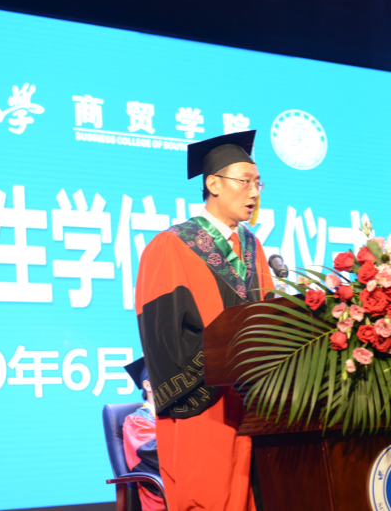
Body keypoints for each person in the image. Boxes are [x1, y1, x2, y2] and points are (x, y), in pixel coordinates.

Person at [135, 130, 275, 511]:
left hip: (252, 406)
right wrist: (220, 363)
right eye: (245, 181)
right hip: (202, 407)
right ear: (213, 183)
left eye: (258, 183)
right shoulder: (172, 245)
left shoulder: (253, 247)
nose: (254, 192)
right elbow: (163, 338)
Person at [121, 357, 165, 511]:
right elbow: (158, 455)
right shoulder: (137, 421)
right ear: (148, 385)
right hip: (162, 497)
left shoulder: (176, 416)